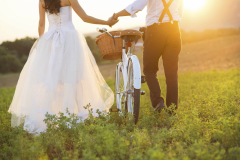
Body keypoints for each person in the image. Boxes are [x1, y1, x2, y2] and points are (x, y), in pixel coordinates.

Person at [8, 0, 118, 134]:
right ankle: (80, 115)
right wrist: (107, 22)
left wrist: (43, 45)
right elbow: (85, 18)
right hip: (70, 39)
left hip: (51, 40)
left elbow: (41, 24)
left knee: (53, 79)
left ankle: (52, 116)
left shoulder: (42, 0)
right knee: (75, 79)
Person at [113, 0, 184, 114]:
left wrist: (116, 15)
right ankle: (172, 110)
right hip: (174, 31)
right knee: (171, 74)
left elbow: (136, 6)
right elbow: (180, 10)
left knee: (149, 70)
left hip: (156, 32)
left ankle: (158, 102)